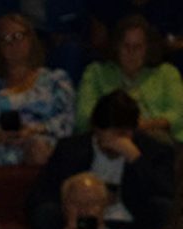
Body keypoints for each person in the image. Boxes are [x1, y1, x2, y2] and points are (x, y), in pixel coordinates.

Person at [27, 89, 175, 229]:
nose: (115, 143)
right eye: (109, 135)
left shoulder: (154, 150)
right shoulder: (70, 149)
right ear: (96, 129)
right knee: (45, 213)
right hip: (79, 223)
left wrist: (136, 159)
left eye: (121, 135)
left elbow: (167, 193)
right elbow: (40, 194)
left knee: (163, 208)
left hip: (131, 223)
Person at [0, 13, 75, 167]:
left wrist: (33, 130)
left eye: (18, 36)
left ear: (30, 39)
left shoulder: (55, 80)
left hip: (37, 141)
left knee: (38, 148)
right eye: (5, 39)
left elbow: (66, 122)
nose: (13, 44)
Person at [75, 15, 183, 144]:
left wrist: (144, 126)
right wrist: (119, 130)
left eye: (137, 47)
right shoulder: (95, 72)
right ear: (116, 46)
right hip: (107, 142)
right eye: (126, 46)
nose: (131, 52)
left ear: (148, 49)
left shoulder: (167, 73)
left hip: (158, 142)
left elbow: (178, 115)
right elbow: (83, 117)